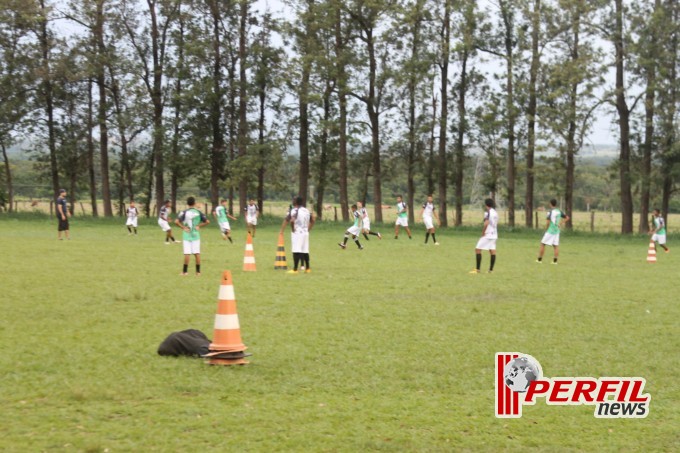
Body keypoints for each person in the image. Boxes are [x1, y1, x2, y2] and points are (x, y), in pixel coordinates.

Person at [175, 197, 210, 276]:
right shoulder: (198, 212)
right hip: (195, 235)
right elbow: (207, 221)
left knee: (187, 253)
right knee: (197, 253)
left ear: (187, 204)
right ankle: (198, 272)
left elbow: (176, 222)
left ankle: (185, 272)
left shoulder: (184, 212)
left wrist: (183, 227)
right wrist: (199, 226)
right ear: (194, 203)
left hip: (187, 235)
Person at [280, 196, 315, 274]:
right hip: (305, 233)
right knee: (305, 250)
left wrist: (287, 230)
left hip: (297, 233)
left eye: (294, 200)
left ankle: (295, 269)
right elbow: (313, 220)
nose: (292, 201)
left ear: (296, 202)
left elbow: (290, 220)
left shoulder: (294, 210)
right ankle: (308, 268)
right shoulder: (306, 210)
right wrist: (308, 229)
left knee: (296, 250)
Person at [536, 199, 569, 264]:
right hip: (557, 231)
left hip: (550, 231)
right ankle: (555, 261)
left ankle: (539, 260)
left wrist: (546, 229)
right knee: (556, 246)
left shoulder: (550, 212)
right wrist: (561, 223)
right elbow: (567, 218)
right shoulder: (559, 211)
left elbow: (548, 222)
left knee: (543, 244)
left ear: (550, 204)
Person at [470, 198, 499, 274]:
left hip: (488, 234)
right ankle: (491, 270)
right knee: (492, 251)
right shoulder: (495, 212)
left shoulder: (489, 212)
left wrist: (483, 232)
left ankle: (477, 269)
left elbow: (486, 223)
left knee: (477, 249)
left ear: (486, 205)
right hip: (494, 234)